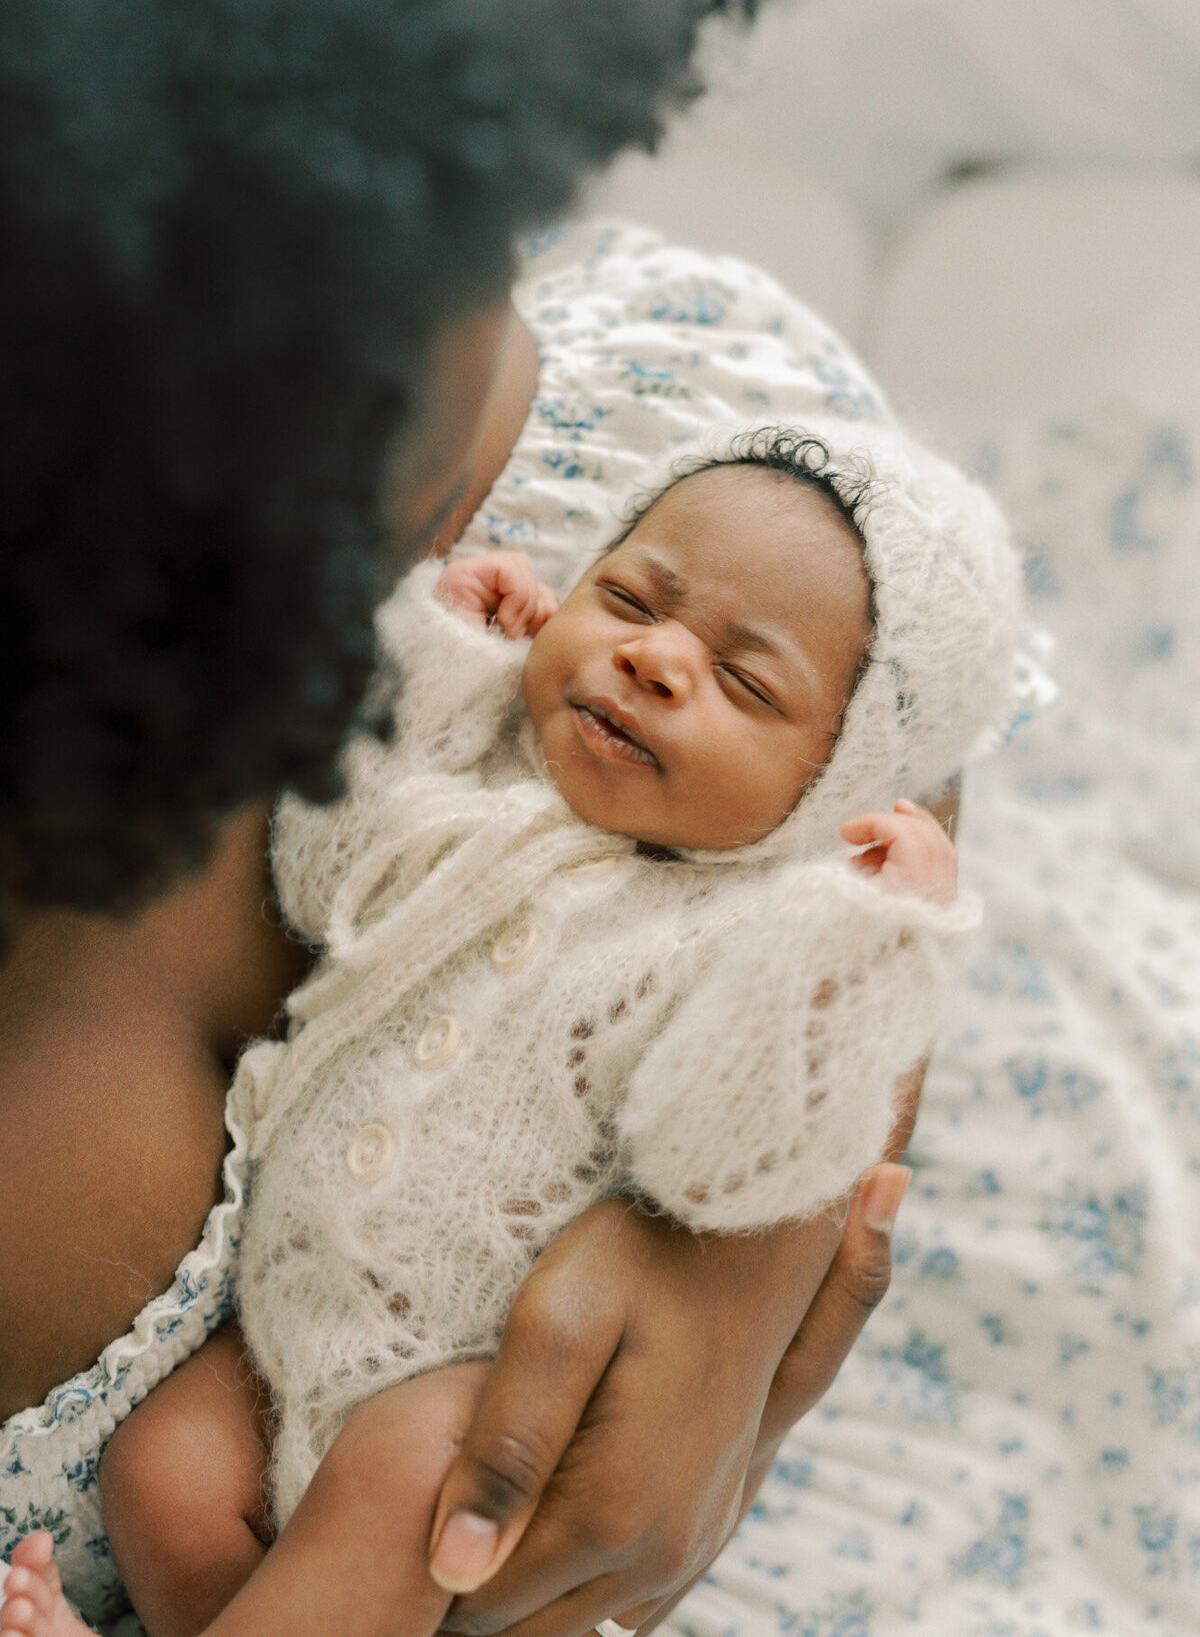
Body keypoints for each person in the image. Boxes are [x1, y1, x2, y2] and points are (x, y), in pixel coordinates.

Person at [0, 0, 920, 1632]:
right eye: (309, 463)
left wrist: (746, 1235)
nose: (464, 532)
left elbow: (889, 741)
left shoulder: (686, 401)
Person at [1, 426, 1019, 1637]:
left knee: (398, 1479)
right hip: (291, 1327)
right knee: (165, 1472)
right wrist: (444, 672)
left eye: (746, 684)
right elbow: (329, 872)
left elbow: (726, 1160)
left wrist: (859, 964)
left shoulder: (745, 938)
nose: (652, 659)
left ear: (835, 791)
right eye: (629, 598)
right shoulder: (486, 801)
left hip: (460, 1395)